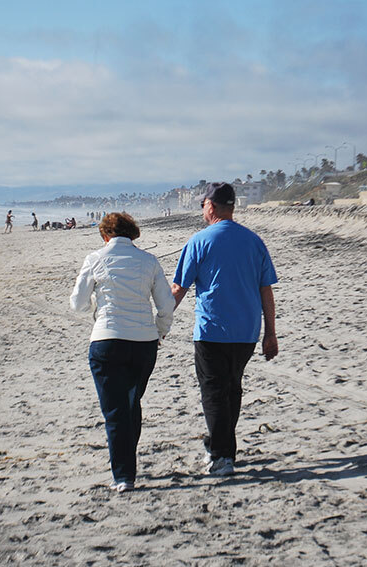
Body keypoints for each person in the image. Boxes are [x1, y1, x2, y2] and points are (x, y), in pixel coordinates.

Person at [171, 182, 278, 477]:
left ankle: (221, 456)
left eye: (203, 204)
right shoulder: (253, 241)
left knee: (214, 392)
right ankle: (219, 447)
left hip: (212, 330)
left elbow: (179, 288)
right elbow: (266, 291)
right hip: (247, 332)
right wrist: (270, 333)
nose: (202, 209)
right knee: (231, 390)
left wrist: (160, 322)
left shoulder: (200, 241)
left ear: (211, 206)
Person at [70, 213, 173, 493]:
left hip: (107, 340)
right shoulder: (149, 261)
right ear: (132, 234)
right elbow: (166, 305)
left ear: (105, 235)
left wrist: (95, 302)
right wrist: (160, 330)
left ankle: (124, 475)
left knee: (116, 410)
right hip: (143, 343)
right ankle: (127, 465)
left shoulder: (95, 259)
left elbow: (77, 304)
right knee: (130, 403)